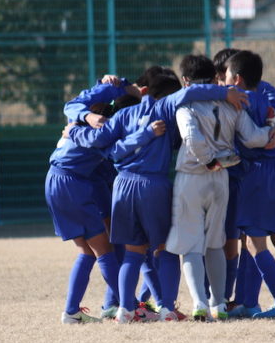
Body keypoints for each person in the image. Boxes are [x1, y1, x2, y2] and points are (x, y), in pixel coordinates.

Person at [67, 74, 248, 323]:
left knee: (132, 253)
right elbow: (189, 93)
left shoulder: (122, 115)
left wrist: (74, 131)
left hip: (123, 185)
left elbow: (101, 142)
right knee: (165, 250)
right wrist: (224, 93)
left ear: (143, 90)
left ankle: (125, 309)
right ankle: (166, 309)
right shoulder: (164, 109)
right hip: (154, 185)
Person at [165, 54, 274, 321]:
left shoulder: (186, 106)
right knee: (216, 243)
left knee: (191, 245)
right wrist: (272, 126)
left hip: (192, 176)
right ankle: (219, 303)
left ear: (185, 81)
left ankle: (200, 303)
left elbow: (191, 138)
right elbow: (254, 138)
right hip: (221, 178)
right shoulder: (231, 104)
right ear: (215, 77)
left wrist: (208, 160)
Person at [47, 78, 161, 324]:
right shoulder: (103, 129)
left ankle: (72, 312)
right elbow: (115, 149)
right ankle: (129, 307)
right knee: (104, 251)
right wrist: (147, 133)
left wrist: (117, 84)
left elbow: (75, 104)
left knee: (86, 251)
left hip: (55, 180)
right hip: (73, 184)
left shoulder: (83, 115)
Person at [223, 50, 275, 318]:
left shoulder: (238, 100)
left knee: (256, 244)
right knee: (253, 240)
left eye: (226, 76)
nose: (223, 81)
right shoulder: (268, 96)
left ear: (237, 79)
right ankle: (249, 303)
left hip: (259, 171)